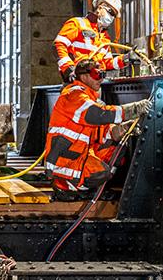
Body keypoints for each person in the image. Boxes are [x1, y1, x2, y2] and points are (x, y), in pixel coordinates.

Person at [45, 58, 152, 201]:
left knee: (117, 148)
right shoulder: (73, 96)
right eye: (97, 75)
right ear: (83, 76)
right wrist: (133, 109)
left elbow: (104, 131)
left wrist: (123, 129)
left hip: (78, 156)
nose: (101, 79)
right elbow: (97, 114)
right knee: (101, 173)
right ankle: (68, 189)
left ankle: (84, 188)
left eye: (103, 74)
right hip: (65, 162)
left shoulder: (90, 99)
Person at [53, 0, 136, 82]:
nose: (112, 17)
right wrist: (68, 69)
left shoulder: (104, 37)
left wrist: (125, 58)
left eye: (114, 16)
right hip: (76, 81)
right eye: (111, 12)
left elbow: (107, 63)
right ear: (100, 7)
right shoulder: (77, 24)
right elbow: (58, 45)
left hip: (94, 83)